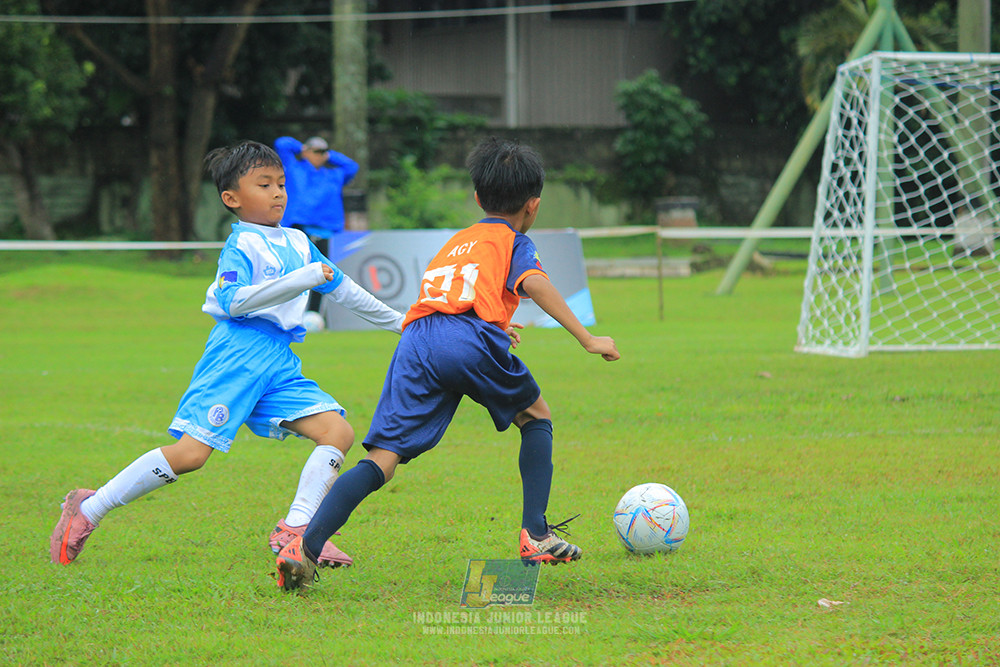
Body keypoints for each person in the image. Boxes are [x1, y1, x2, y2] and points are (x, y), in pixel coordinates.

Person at [275, 136, 620, 591]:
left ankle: (305, 547)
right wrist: (587, 338)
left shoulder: (458, 240)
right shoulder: (513, 240)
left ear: (477, 198)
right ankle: (536, 534)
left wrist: (494, 326)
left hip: (417, 340)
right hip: (465, 339)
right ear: (533, 205)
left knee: (383, 458)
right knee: (536, 417)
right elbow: (534, 282)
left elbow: (454, 298)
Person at [50, 140, 404, 569]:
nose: (277, 193)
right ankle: (89, 508)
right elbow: (233, 302)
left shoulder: (298, 241)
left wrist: (403, 323)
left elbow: (345, 289)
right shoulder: (242, 245)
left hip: (279, 359)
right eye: (264, 185)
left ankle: (296, 530)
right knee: (191, 456)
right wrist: (301, 280)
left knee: (337, 432)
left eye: (281, 184)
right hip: (238, 354)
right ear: (231, 199)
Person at [274, 135, 359, 314]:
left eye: (324, 152)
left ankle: (313, 314)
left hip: (324, 232)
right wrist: (303, 149)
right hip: (298, 229)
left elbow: (352, 166)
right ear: (306, 151)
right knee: (294, 272)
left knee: (321, 274)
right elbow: (282, 143)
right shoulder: (294, 169)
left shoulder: (334, 175)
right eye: (317, 151)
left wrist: (329, 154)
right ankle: (289, 312)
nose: (321, 155)